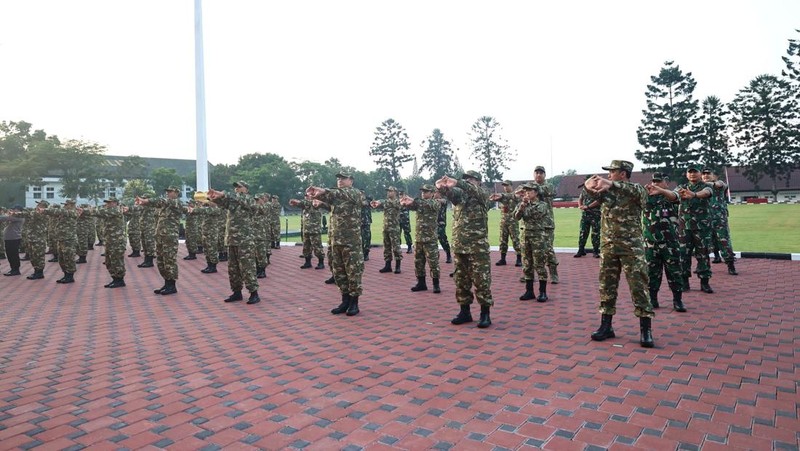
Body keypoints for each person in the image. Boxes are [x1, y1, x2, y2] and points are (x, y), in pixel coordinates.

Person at [584, 160, 655, 348]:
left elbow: (636, 192)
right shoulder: (607, 193)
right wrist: (588, 185)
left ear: (623, 174)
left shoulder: (636, 190)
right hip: (609, 247)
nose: (609, 175)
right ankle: (606, 326)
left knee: (639, 286)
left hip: (631, 248)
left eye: (612, 172)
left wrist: (611, 184)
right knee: (606, 286)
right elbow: (592, 192)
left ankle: (645, 330)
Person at [435, 170, 494, 328]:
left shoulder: (482, 195)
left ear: (478, 181)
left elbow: (474, 190)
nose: (468, 181)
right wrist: (442, 187)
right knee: (461, 281)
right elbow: (451, 194)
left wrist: (460, 183)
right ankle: (465, 311)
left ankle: (485, 313)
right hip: (460, 246)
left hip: (477, 247)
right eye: (465, 179)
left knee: (482, 281)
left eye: (471, 179)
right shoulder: (460, 196)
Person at [306, 172, 365, 316]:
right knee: (339, 272)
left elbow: (337, 194)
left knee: (353, 272)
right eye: (338, 178)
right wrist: (317, 195)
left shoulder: (355, 193)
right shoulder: (337, 197)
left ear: (351, 181)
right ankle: (345, 300)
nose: (340, 180)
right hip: (336, 241)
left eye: (343, 178)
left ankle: (354, 302)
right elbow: (330, 198)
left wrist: (324, 191)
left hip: (351, 242)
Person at [208, 181, 260, 305]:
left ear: (246, 189)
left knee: (247, 267)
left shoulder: (249, 200)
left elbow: (237, 200)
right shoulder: (234, 202)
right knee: (233, 268)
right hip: (231, 239)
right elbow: (223, 202)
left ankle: (254, 293)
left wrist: (222, 194)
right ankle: (237, 292)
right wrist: (215, 197)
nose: (236, 189)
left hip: (244, 240)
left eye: (239, 187)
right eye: (235, 187)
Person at [643, 173, 686, 312]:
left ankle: (677, 300)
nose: (655, 184)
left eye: (658, 181)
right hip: (650, 243)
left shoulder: (672, 195)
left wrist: (660, 191)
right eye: (653, 181)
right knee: (651, 273)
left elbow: (675, 197)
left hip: (670, 243)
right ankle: (653, 299)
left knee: (674, 272)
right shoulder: (646, 197)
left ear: (666, 182)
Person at [136, 186, 183, 295]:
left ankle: (172, 285)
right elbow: (158, 203)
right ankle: (166, 283)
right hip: (161, 237)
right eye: (167, 191)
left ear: (176, 193)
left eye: (170, 191)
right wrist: (145, 203)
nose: (168, 193)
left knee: (169, 260)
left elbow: (160, 201)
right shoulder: (165, 205)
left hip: (170, 237)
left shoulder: (176, 203)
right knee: (161, 261)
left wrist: (146, 200)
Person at [677, 165, 714, 294]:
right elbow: (674, 195)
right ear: (687, 175)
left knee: (703, 255)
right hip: (684, 228)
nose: (692, 174)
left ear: (699, 174)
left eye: (695, 172)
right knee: (683, 255)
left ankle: (704, 282)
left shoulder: (705, 186)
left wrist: (694, 195)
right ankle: (684, 282)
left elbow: (707, 193)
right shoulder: (681, 187)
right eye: (690, 172)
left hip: (701, 228)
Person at [509, 183, 549, 302]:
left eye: (530, 191)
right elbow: (516, 217)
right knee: (527, 264)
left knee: (539, 264)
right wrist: (522, 206)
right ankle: (529, 291)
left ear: (536, 192)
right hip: (525, 237)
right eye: (525, 191)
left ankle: (542, 292)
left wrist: (525, 206)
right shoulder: (522, 204)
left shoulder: (542, 205)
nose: (527, 193)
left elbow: (535, 215)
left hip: (537, 237)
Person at [400, 184, 442, 293]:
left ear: (432, 193)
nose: (423, 193)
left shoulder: (434, 203)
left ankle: (436, 284)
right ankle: (421, 283)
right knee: (418, 262)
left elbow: (423, 204)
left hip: (430, 239)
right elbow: (410, 205)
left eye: (426, 191)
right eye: (422, 191)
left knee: (433, 263)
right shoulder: (419, 203)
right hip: (419, 239)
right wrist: (405, 202)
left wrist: (412, 200)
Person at [702, 168, 737, 275]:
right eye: (703, 174)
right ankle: (713, 259)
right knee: (707, 241)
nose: (706, 175)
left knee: (723, 240)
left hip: (719, 219)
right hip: (704, 219)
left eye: (708, 173)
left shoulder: (720, 184)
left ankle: (730, 265)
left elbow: (719, 185)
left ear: (715, 176)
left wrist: (703, 183)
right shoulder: (700, 187)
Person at [92, 198, 127, 288]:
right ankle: (115, 279)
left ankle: (119, 280)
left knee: (116, 260)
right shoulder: (110, 211)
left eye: (109, 202)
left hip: (117, 241)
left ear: (115, 203)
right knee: (109, 261)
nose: (107, 204)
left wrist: (88, 210)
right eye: (106, 203)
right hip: (110, 240)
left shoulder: (116, 210)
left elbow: (100, 213)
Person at [533, 166, 559, 283]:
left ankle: (553, 273)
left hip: (546, 224)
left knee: (548, 250)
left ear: (545, 175)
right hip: (533, 225)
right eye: (537, 173)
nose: (539, 175)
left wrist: (529, 190)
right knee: (531, 251)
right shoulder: (529, 187)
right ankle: (529, 274)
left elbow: (543, 191)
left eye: (541, 173)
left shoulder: (549, 186)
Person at [370, 187, 403, 274]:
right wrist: (375, 203)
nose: (388, 193)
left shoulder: (398, 201)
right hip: (386, 227)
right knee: (387, 246)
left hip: (394, 227)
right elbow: (377, 205)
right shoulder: (386, 202)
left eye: (390, 191)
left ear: (395, 192)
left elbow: (390, 203)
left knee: (396, 247)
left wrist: (380, 201)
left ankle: (398, 265)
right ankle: (388, 265)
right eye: (387, 191)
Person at [289, 195, 325, 270]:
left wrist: (297, 201)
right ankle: (307, 262)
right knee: (306, 247)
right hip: (306, 230)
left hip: (314, 230)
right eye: (305, 196)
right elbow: (303, 204)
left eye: (308, 196)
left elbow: (306, 203)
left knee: (317, 247)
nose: (306, 197)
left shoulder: (315, 203)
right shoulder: (305, 207)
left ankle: (321, 263)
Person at [493, 180, 523, 267]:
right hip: (503, 221)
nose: (505, 188)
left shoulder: (516, 195)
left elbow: (514, 196)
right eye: (504, 186)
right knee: (503, 240)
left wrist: (502, 195)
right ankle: (503, 258)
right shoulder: (502, 197)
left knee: (515, 240)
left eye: (507, 186)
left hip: (513, 222)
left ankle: (519, 258)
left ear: (511, 186)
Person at [17, 201, 49, 280]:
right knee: (33, 256)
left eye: (39, 204)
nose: (37, 205)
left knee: (39, 256)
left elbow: (32, 214)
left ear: (43, 206)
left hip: (39, 239)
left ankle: (39, 273)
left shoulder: (43, 213)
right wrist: (15, 213)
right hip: (32, 238)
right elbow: (27, 214)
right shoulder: (35, 212)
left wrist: (24, 212)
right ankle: (36, 271)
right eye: (37, 204)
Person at [575, 177, 601, 258]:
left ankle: (595, 251)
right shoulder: (585, 189)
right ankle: (581, 250)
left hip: (595, 215)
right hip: (585, 215)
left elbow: (599, 201)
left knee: (595, 233)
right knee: (583, 232)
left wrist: (588, 206)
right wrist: (580, 206)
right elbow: (580, 198)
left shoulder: (598, 189)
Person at [0, 205, 25, 276]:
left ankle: (16, 270)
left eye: (15, 210)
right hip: (10, 238)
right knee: (10, 254)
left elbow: (4, 218)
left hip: (14, 238)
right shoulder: (15, 216)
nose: (13, 211)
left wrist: (7, 214)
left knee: (13, 255)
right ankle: (13, 269)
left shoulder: (19, 216)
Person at [137, 195, 157, 268]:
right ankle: (146, 260)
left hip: (149, 228)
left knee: (149, 244)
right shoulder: (143, 207)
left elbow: (152, 201)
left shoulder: (150, 206)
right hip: (144, 228)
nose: (142, 200)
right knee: (144, 244)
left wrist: (143, 202)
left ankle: (150, 261)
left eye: (144, 199)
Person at [435, 192, 452, 264]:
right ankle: (435, 255)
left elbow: (444, 201)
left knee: (442, 239)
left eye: (436, 192)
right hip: (432, 224)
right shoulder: (430, 201)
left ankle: (448, 254)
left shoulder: (443, 201)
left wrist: (436, 200)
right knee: (432, 240)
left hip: (441, 223)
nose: (435, 194)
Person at [360, 192, 372, 261]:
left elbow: (370, 200)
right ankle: (361, 252)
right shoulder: (357, 201)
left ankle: (366, 253)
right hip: (358, 223)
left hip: (366, 222)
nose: (361, 195)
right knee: (360, 238)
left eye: (362, 194)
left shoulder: (367, 201)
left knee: (367, 238)